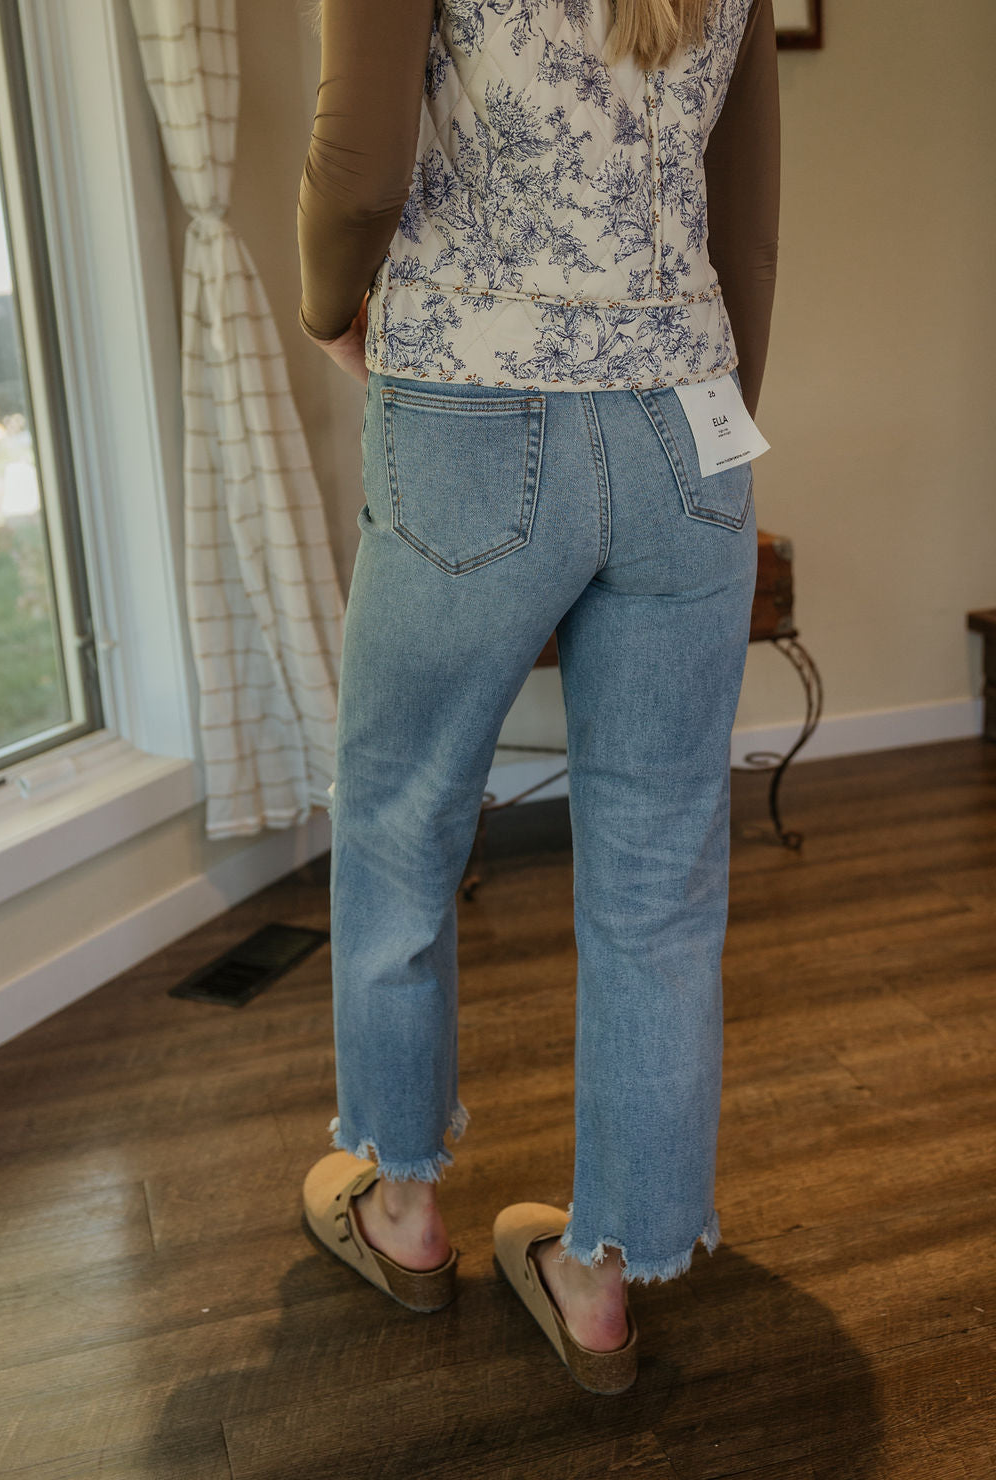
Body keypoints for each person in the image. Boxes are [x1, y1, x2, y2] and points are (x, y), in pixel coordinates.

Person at [296, 0, 779, 1395]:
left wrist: (329, 311)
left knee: (399, 822)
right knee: (661, 880)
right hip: (689, 421)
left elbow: (361, 169)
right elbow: (747, 227)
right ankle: (601, 1278)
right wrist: (700, 428)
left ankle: (401, 1207)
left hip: (471, 399)